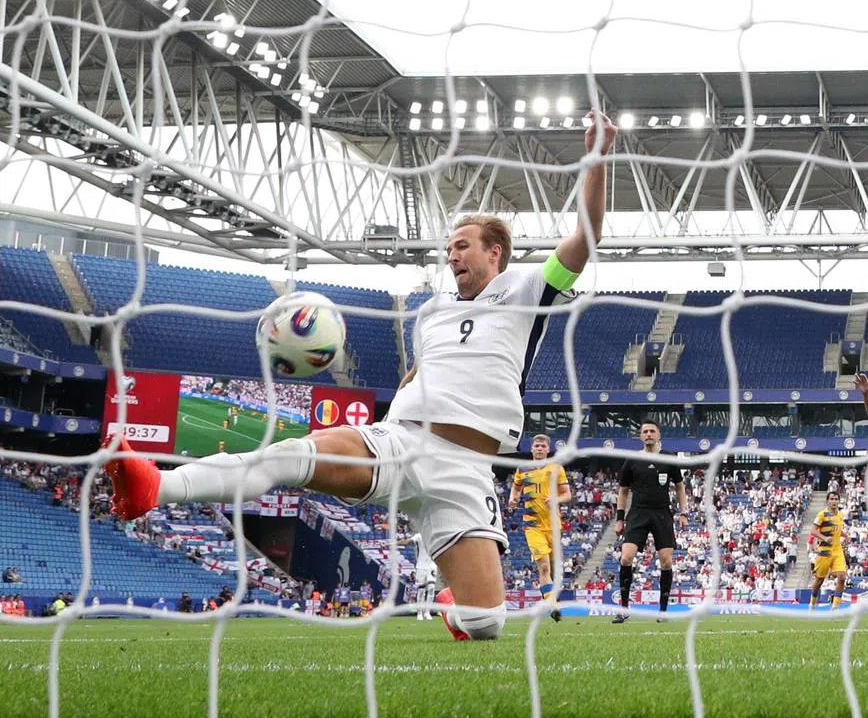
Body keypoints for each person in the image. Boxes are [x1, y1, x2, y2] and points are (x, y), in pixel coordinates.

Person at [107, 113, 618, 640]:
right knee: (289, 457)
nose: (451, 255)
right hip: (399, 443)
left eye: (462, 245)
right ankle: (155, 485)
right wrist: (382, 423)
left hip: (465, 471)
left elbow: (587, 233)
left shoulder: (528, 289)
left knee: (485, 623)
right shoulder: (431, 313)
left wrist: (597, 157)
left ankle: (452, 604)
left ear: (495, 252)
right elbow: (420, 374)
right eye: (448, 249)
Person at [612, 420, 688, 624]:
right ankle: (624, 608)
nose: (648, 434)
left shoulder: (669, 458)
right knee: (626, 558)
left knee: (666, 561)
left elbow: (680, 487)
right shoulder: (632, 460)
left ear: (658, 435)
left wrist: (684, 513)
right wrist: (619, 519)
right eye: (644, 431)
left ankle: (662, 611)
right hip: (637, 513)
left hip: (662, 513)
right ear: (640, 436)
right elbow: (623, 491)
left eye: (652, 431)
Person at [507, 433, 570, 622]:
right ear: (532, 449)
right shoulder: (523, 469)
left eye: (543, 446)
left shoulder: (556, 468)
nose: (540, 449)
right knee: (543, 566)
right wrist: (513, 498)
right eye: (537, 446)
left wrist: (556, 499)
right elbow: (516, 487)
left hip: (553, 524)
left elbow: (567, 494)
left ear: (548, 449)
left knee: (552, 565)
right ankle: (552, 605)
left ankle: (550, 599)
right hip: (532, 525)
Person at [809, 491, 847, 611]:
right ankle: (812, 605)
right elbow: (813, 531)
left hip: (837, 551)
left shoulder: (840, 515)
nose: (834, 501)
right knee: (819, 581)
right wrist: (825, 538)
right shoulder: (822, 515)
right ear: (827, 501)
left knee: (841, 577)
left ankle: (835, 607)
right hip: (824, 551)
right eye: (832, 499)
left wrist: (846, 536)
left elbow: (837, 530)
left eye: (836, 499)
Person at [405, 531, 437, 620]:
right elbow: (408, 541)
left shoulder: (434, 535)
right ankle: (419, 613)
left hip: (432, 565)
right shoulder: (419, 536)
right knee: (421, 590)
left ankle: (427, 612)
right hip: (421, 566)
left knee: (431, 589)